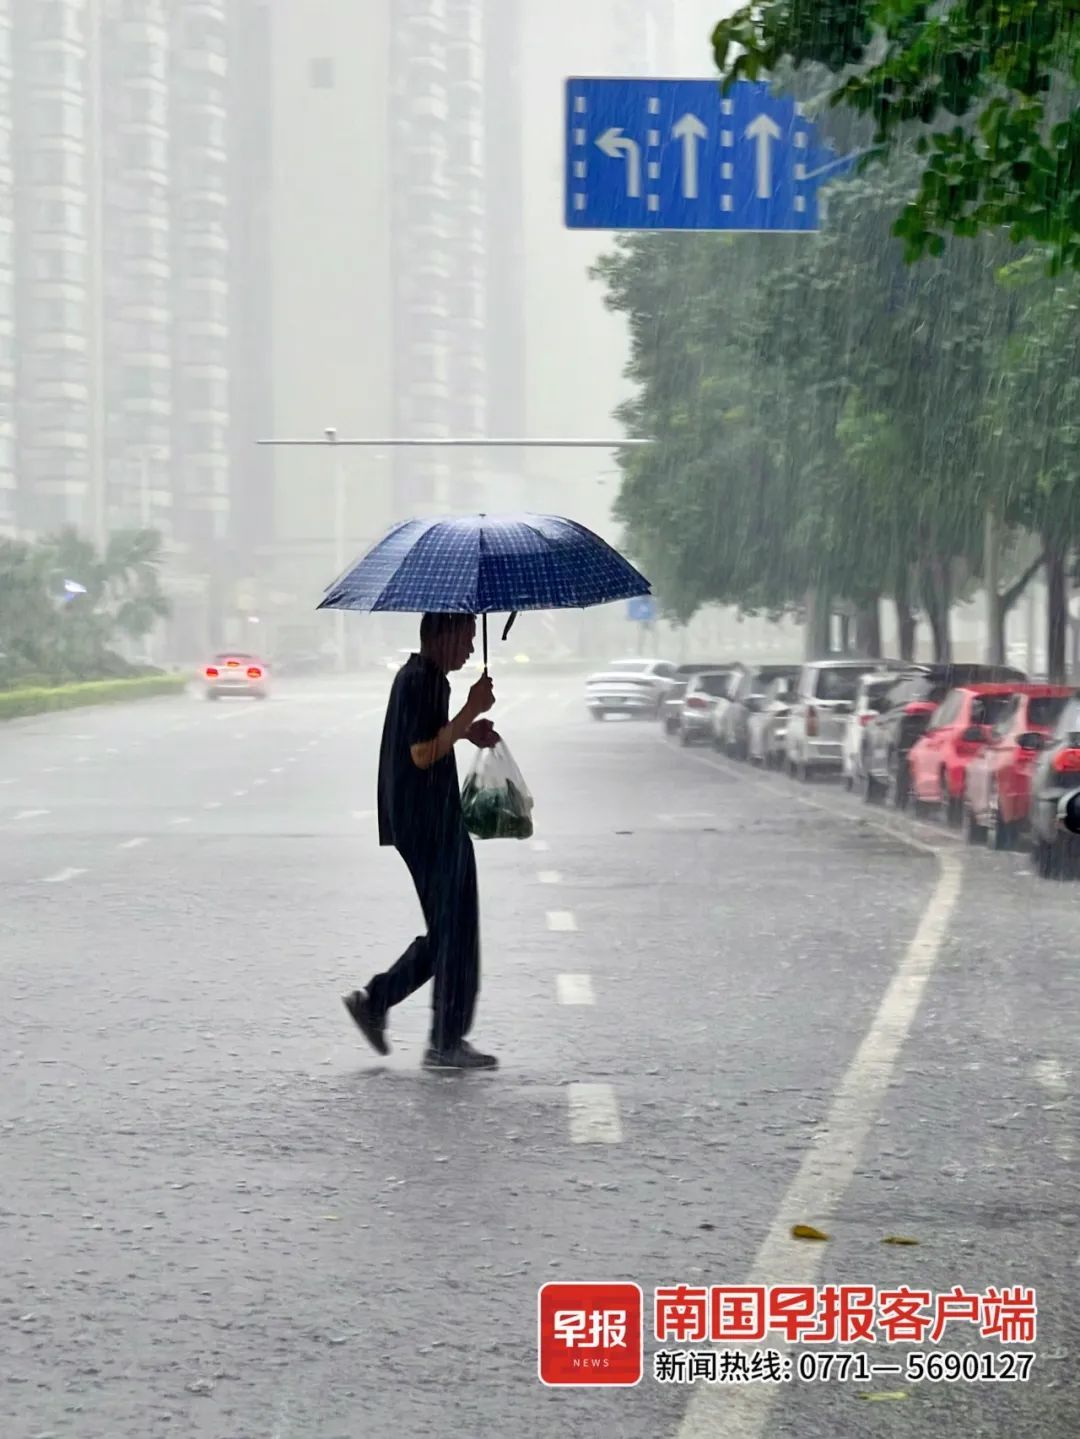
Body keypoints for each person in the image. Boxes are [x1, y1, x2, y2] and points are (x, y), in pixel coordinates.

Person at [343, 613, 500, 1069]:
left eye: (474, 638)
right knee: (456, 931)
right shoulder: (420, 680)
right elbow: (421, 754)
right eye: (465, 638)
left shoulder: (426, 678)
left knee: (453, 930)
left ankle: (378, 1002)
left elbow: (432, 739)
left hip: (429, 819)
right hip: (427, 822)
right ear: (439, 635)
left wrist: (467, 731)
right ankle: (443, 1040)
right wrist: (470, 709)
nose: (470, 649)